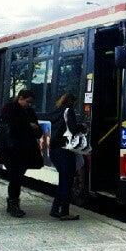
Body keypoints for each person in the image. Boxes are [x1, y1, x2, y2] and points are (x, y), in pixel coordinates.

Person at [0, 88, 43, 217]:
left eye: (31, 102)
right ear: (20, 98)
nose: (29, 104)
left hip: (24, 150)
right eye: (27, 101)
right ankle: (13, 204)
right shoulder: (9, 107)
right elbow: (9, 123)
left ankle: (13, 203)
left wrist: (34, 128)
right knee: (15, 177)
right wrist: (29, 126)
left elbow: (38, 131)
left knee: (18, 177)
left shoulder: (30, 111)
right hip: (10, 149)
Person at [48, 93, 86, 221]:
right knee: (67, 182)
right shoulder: (69, 111)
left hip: (54, 150)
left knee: (63, 180)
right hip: (65, 150)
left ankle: (55, 209)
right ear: (72, 102)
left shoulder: (56, 111)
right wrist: (82, 127)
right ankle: (64, 212)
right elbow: (73, 129)